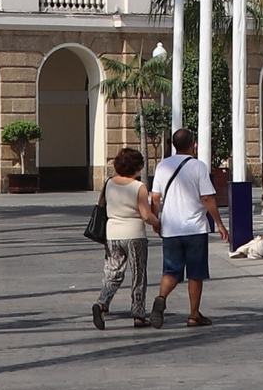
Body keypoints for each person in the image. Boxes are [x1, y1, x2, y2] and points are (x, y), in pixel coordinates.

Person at [149, 124, 226, 328]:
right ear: (194, 145)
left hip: (171, 227)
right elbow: (207, 198)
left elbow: (155, 198)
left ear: (174, 146)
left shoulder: (162, 166)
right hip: (195, 228)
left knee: (171, 271)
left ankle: (161, 297)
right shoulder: (198, 166)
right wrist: (219, 223)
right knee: (195, 273)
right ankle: (193, 314)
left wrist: (156, 220)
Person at [92, 145, 153, 328]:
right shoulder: (139, 187)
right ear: (137, 167)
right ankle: (138, 313)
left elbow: (101, 205)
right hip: (135, 234)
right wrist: (159, 223)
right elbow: (146, 215)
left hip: (113, 234)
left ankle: (102, 303)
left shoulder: (109, 183)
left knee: (113, 272)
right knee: (138, 275)